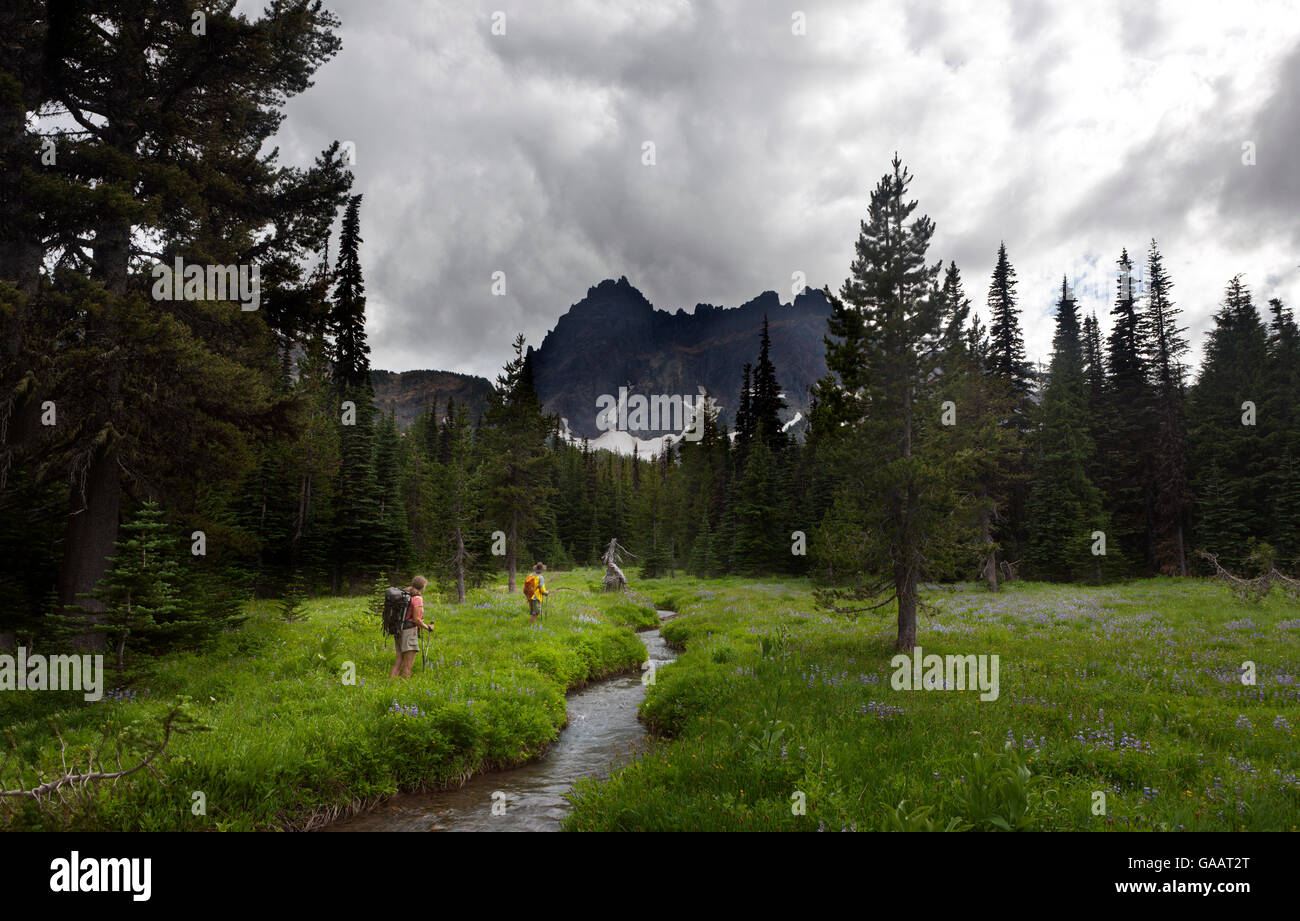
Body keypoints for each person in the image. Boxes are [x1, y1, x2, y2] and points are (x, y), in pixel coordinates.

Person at [390, 575, 433, 679]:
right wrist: (428, 627)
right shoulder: (417, 598)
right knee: (408, 665)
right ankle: (404, 687)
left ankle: (390, 685)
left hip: (399, 630)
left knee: (398, 662)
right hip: (409, 632)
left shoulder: (406, 594)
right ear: (422, 586)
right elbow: (416, 619)